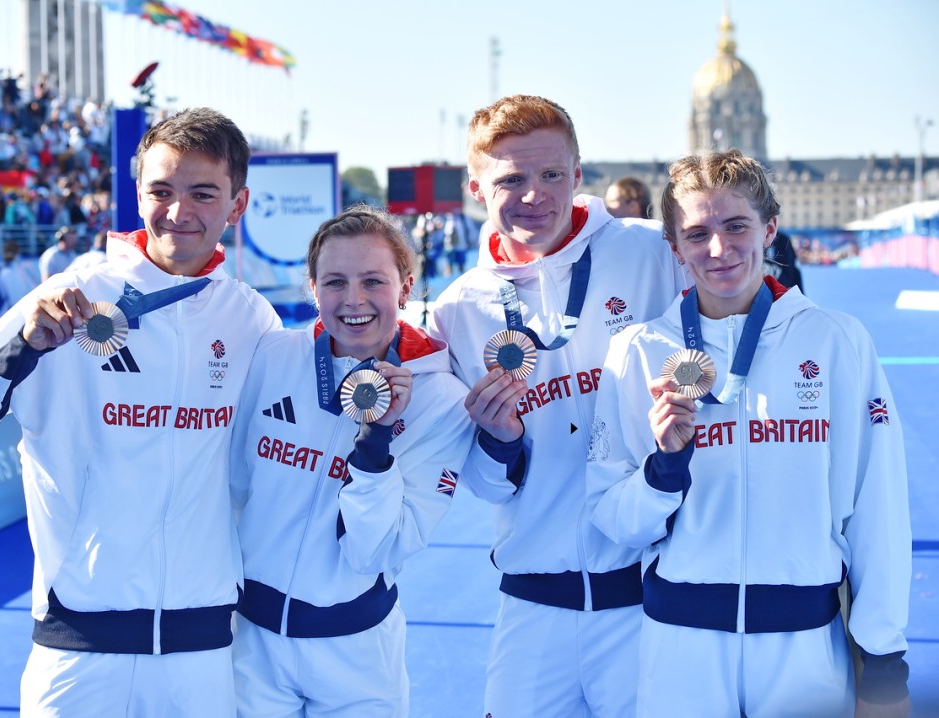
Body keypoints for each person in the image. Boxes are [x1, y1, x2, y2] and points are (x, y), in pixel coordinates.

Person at [0, 107, 282, 717]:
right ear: (137, 195)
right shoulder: (72, 295)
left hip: (201, 650)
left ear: (237, 205)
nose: (179, 212)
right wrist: (19, 351)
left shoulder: (251, 320)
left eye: (202, 193)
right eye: (161, 191)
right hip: (79, 646)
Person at [587, 150, 910, 717]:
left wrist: (883, 659)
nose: (719, 249)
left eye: (736, 225)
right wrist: (663, 470)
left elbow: (877, 504)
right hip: (681, 650)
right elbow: (615, 519)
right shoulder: (638, 351)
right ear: (675, 247)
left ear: (770, 229)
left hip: (805, 648)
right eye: (697, 233)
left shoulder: (837, 341)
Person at [427, 94, 688, 717]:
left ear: (578, 173)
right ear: (475, 187)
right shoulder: (459, 309)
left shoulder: (653, 253)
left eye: (550, 175)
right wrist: (498, 441)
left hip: (651, 599)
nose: (534, 195)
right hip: (533, 606)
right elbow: (487, 487)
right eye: (511, 179)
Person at [230, 205, 473, 717]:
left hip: (357, 654)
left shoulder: (443, 400)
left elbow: (374, 551)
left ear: (406, 287)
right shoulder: (274, 357)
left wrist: (375, 442)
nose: (354, 300)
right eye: (335, 282)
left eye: (373, 281)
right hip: (249, 645)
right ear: (313, 289)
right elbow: (232, 488)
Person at [0, 239, 38, 318]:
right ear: (17, 252)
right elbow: (15, 299)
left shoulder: (6, 269)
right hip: (11, 317)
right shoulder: (9, 271)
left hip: (7, 316)